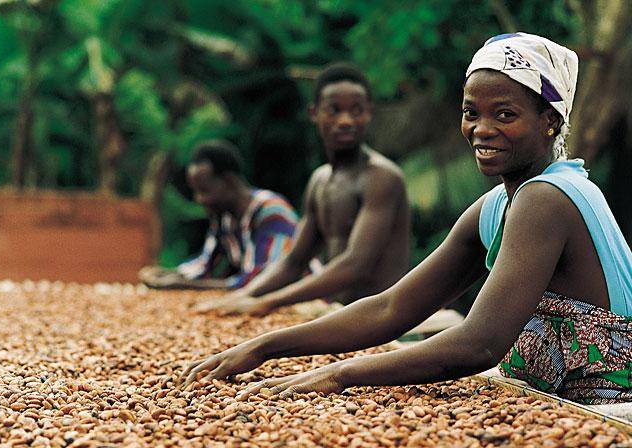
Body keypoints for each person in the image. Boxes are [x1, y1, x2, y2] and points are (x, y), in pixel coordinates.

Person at [180, 34, 632, 405]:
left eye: (506, 115)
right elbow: (393, 307)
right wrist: (266, 346)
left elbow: (478, 344)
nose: (482, 129)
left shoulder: (547, 199)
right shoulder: (498, 206)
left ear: (550, 121)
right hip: (550, 395)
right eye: (471, 112)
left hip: (606, 403)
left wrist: (340, 375)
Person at [196, 63, 410, 316]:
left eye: (357, 111)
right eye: (334, 110)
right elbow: (293, 262)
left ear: (369, 114)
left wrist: (269, 302)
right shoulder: (320, 181)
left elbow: (356, 265)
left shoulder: (382, 177)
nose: (346, 121)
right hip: (339, 313)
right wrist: (244, 295)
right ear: (314, 113)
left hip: (381, 317)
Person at [139, 140, 299, 290]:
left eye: (204, 191)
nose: (199, 199)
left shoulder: (271, 211)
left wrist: (183, 284)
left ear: (229, 181)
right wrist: (167, 274)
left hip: (305, 304)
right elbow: (204, 265)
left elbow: (262, 280)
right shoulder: (225, 218)